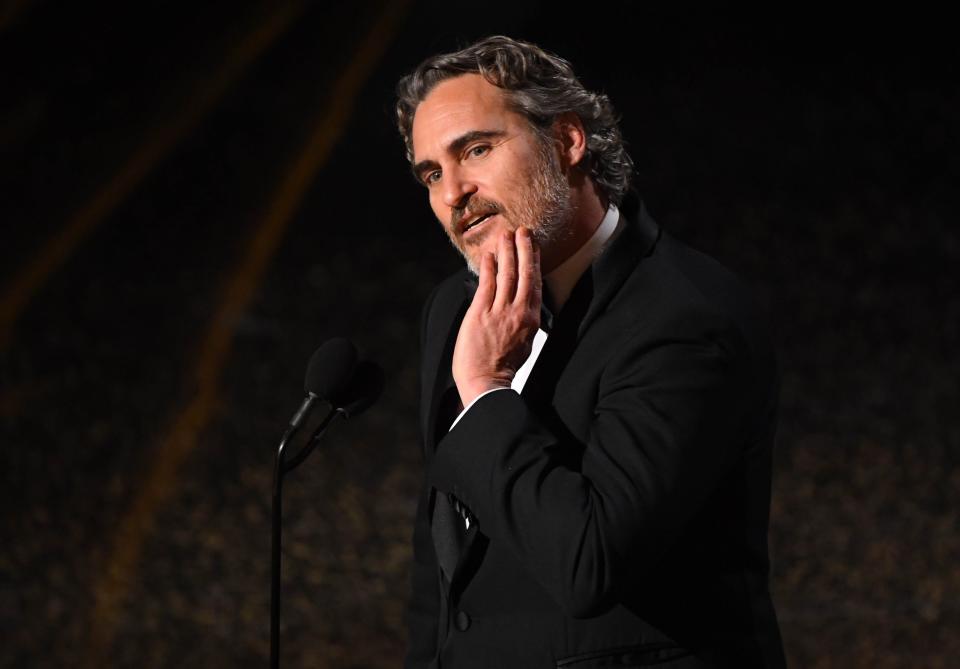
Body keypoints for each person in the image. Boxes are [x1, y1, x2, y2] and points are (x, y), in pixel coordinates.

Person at [395, 36, 786, 668]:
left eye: (476, 149)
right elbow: (440, 563)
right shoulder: (454, 309)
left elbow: (590, 563)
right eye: (432, 172)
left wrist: (485, 389)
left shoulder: (686, 316)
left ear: (568, 141)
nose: (452, 194)